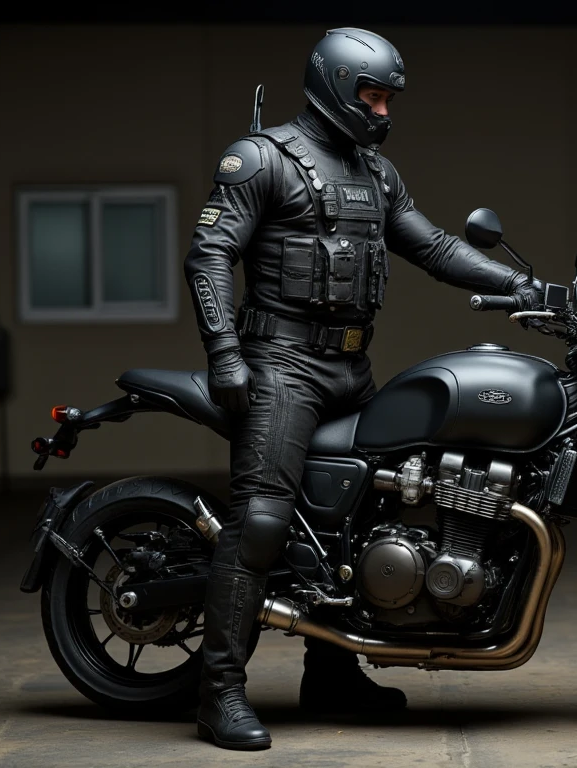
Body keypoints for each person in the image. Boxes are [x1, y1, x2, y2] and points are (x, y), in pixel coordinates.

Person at [183, 27, 542, 751]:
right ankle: (218, 693)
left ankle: (335, 674)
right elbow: (210, 254)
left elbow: (434, 247)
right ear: (335, 85)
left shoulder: (376, 173)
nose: (381, 110)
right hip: (282, 365)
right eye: (371, 95)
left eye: (386, 98)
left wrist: (527, 287)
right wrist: (226, 354)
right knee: (261, 521)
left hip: (353, 367)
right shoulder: (262, 159)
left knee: (359, 518)